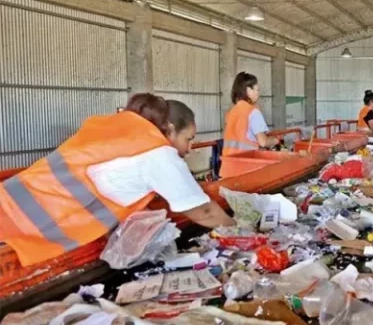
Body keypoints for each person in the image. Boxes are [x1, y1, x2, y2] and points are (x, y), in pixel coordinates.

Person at [0, 94, 234, 267]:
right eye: (189, 139)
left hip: (9, 203)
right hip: (20, 226)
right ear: (170, 129)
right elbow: (203, 212)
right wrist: (241, 231)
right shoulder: (158, 154)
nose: (190, 149)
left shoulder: (120, 131)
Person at [221, 72, 277, 177]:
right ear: (248, 90)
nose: (258, 93)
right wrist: (275, 140)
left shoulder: (231, 113)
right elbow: (263, 142)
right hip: (246, 170)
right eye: (257, 89)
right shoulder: (253, 111)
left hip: (227, 170)